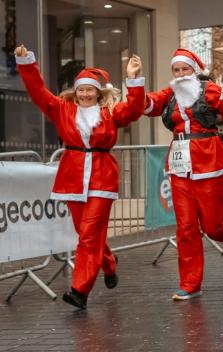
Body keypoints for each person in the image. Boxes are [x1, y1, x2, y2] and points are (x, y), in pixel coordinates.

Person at [14, 44, 145, 310]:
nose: (85, 94)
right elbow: (39, 92)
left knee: (88, 235)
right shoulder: (63, 110)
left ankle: (79, 291)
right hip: (72, 177)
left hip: (102, 177)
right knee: (86, 232)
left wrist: (133, 79)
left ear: (98, 93)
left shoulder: (110, 113)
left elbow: (133, 109)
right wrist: (26, 63)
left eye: (90, 90)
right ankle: (108, 262)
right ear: (76, 92)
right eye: (81, 90)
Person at [144, 48, 223, 301]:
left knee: (213, 227)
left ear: (195, 71)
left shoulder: (210, 90)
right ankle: (190, 283)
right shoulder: (169, 94)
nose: (181, 74)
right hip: (179, 163)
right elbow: (146, 105)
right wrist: (134, 81)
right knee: (185, 227)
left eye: (186, 69)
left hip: (209, 159)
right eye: (177, 70)